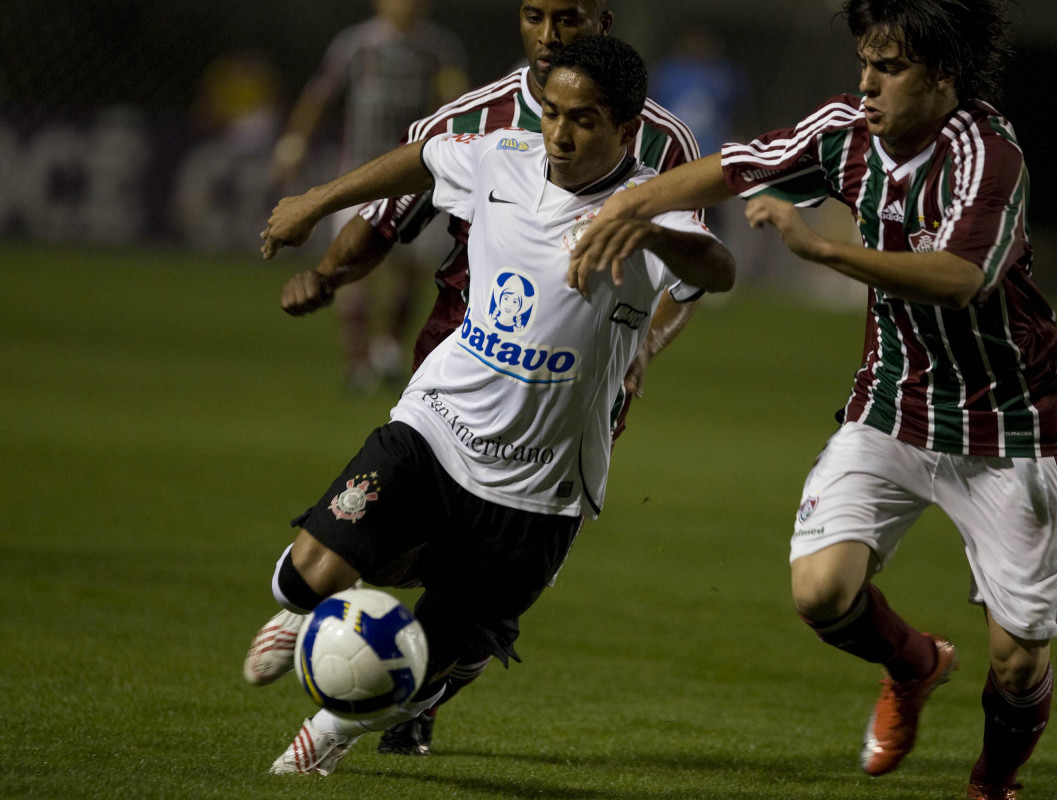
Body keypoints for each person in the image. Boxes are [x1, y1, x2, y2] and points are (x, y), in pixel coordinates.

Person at [569, 2, 1057, 798]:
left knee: (1018, 659)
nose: (866, 83)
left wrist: (825, 249)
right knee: (821, 592)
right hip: (889, 408)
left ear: (943, 76)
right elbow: (737, 165)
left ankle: (991, 784)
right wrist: (630, 203)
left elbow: (961, 279)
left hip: (1002, 427)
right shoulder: (845, 132)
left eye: (890, 68)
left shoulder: (988, 155)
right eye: (864, 62)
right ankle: (915, 664)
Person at [253, 34, 735, 776]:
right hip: (437, 426)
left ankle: (329, 732)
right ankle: (314, 607)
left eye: (584, 120)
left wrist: (642, 227)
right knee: (298, 577)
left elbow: (717, 268)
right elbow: (424, 157)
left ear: (627, 129)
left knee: (427, 666)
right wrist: (315, 202)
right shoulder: (500, 154)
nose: (561, 135)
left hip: (540, 485)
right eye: (551, 113)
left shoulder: (651, 205)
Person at [268, 0, 469, 392]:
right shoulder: (356, 45)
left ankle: (388, 346)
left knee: (412, 267)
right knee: (351, 262)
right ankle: (357, 363)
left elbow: (455, 101)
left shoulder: (440, 48)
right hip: (358, 172)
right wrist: (293, 143)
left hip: (415, 174)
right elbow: (320, 95)